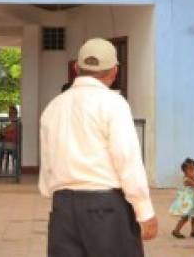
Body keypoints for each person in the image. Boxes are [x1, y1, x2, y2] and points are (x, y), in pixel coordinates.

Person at [39, 38, 157, 257]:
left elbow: (48, 162)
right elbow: (127, 159)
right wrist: (144, 210)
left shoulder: (53, 107)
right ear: (114, 71)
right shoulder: (113, 104)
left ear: (76, 68)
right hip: (106, 209)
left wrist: (57, 195)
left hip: (63, 208)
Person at [170, 157, 194, 239]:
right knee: (185, 217)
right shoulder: (187, 180)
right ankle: (176, 230)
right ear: (187, 172)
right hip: (188, 203)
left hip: (192, 202)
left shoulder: (191, 179)